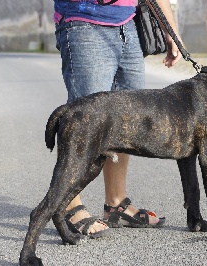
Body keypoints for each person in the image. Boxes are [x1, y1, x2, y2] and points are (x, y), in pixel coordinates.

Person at [53, 0, 183, 238]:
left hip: (127, 25)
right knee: (86, 123)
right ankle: (68, 205)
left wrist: (170, 30)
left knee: (127, 121)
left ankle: (116, 203)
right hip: (85, 22)